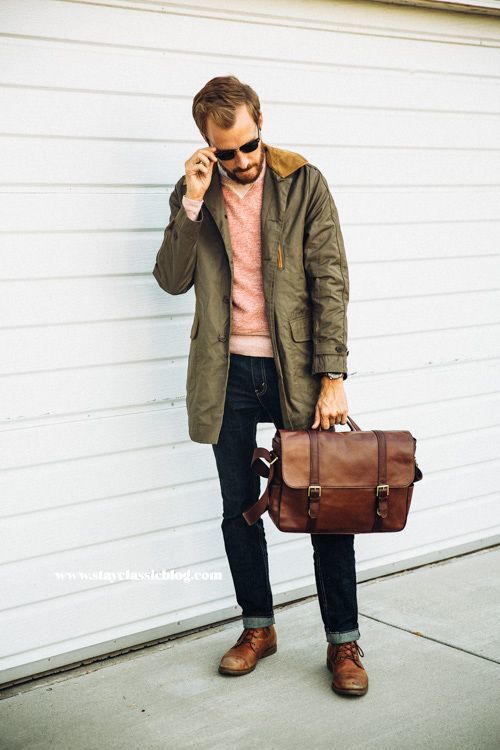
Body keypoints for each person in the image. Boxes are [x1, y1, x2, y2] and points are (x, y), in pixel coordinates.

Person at [152, 75, 368, 697]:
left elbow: (330, 282)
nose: (242, 160)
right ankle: (258, 628)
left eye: (249, 145)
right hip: (226, 374)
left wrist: (333, 377)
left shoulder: (304, 182)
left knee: (327, 507)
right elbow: (171, 279)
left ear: (261, 123)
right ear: (207, 145)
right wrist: (193, 202)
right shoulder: (195, 193)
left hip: (296, 372)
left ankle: (343, 640)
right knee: (238, 508)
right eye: (227, 152)